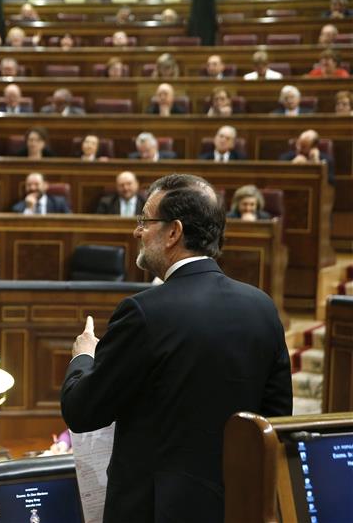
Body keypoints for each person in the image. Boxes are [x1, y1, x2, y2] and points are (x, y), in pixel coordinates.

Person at [61, 173, 292, 523]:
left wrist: (84, 356)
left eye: (145, 220)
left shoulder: (143, 312)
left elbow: (82, 411)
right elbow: (275, 420)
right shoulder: (261, 307)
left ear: (174, 232)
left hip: (155, 512)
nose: (137, 231)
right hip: (236, 508)